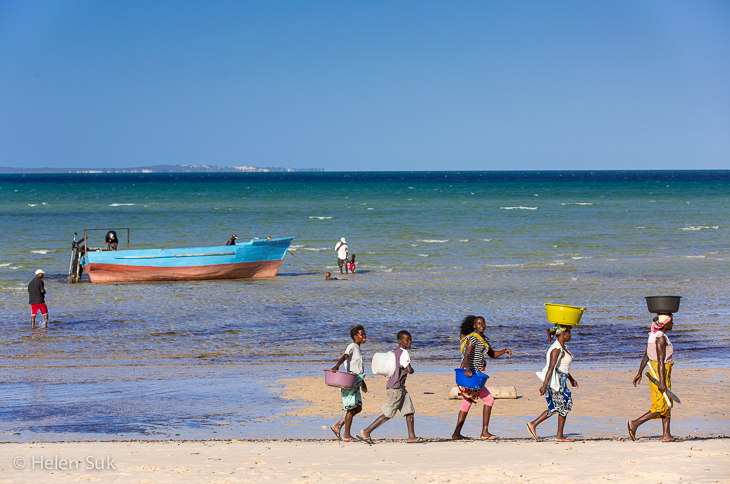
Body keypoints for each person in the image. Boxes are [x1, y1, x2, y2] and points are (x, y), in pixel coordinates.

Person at [452, 315, 512, 440]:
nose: (481, 326)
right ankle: (483, 433)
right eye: (479, 323)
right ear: (474, 326)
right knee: (487, 400)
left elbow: (492, 354)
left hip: (476, 375)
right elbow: (467, 356)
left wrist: (504, 350)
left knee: (467, 402)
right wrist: (467, 370)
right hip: (471, 375)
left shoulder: (484, 339)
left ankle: (457, 433)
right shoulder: (473, 339)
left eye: (483, 323)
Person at [360, 330, 423, 443]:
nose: (410, 342)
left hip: (397, 387)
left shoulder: (394, 352)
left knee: (409, 410)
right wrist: (412, 369)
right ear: (400, 341)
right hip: (396, 389)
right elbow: (409, 370)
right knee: (389, 413)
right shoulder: (404, 353)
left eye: (410, 340)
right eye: (407, 340)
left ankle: (412, 437)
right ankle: (367, 431)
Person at [627, 314, 682, 442]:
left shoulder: (653, 335)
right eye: (671, 322)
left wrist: (639, 372)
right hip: (659, 372)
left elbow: (646, 355)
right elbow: (661, 361)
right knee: (660, 405)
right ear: (665, 324)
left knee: (666, 402)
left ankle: (666, 435)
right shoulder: (661, 338)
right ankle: (634, 424)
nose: (673, 324)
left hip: (656, 370)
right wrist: (662, 382)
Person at [526, 324, 578, 441]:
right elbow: (551, 368)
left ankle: (559, 436)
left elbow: (562, 368)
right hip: (556, 381)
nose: (570, 335)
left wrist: (571, 379)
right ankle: (533, 424)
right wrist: (544, 385)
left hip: (562, 379)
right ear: (563, 334)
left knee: (564, 405)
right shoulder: (556, 349)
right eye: (568, 333)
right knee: (558, 407)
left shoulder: (562, 347)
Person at [330, 325, 368, 441]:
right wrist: (337, 366)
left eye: (364, 333)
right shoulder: (352, 346)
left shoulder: (358, 348)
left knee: (358, 408)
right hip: (350, 381)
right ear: (355, 336)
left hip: (357, 381)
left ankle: (339, 425)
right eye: (361, 334)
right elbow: (345, 356)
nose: (364, 336)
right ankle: (346, 435)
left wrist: (362, 383)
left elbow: (357, 368)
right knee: (351, 408)